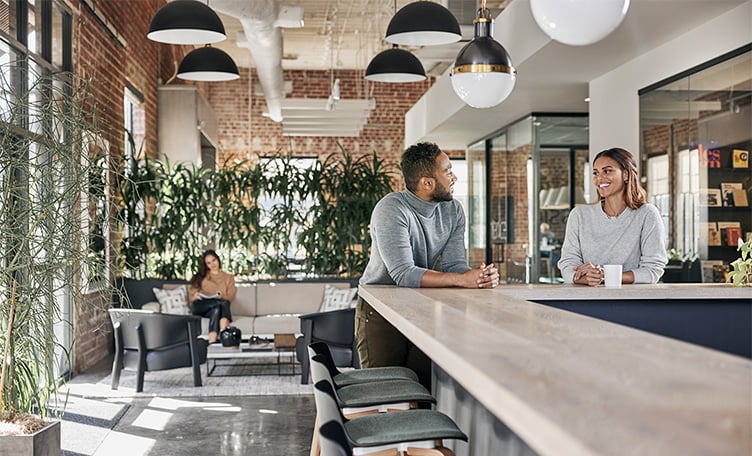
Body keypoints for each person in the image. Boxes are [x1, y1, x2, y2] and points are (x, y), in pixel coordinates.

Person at [356, 142, 499, 388]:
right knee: (385, 391)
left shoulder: (453, 210)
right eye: (448, 171)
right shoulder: (391, 209)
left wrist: (478, 277)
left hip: (423, 308)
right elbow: (403, 273)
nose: (454, 177)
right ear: (427, 183)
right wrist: (461, 279)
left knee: (420, 390)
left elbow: (455, 265)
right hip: (380, 309)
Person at [557, 147, 667, 286]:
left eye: (607, 171)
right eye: (596, 173)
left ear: (626, 174)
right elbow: (567, 264)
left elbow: (653, 271)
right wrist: (583, 277)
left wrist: (606, 276)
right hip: (585, 299)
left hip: (632, 301)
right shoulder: (579, 215)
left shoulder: (647, 214)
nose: (599, 178)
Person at [189, 250, 237, 343]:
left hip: (215, 307)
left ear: (218, 260)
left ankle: (212, 341)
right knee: (224, 303)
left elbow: (230, 297)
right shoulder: (201, 276)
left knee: (217, 308)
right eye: (208, 263)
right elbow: (191, 298)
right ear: (206, 265)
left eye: (213, 260)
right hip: (201, 305)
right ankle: (225, 329)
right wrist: (195, 295)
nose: (212, 264)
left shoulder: (228, 278)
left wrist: (221, 295)